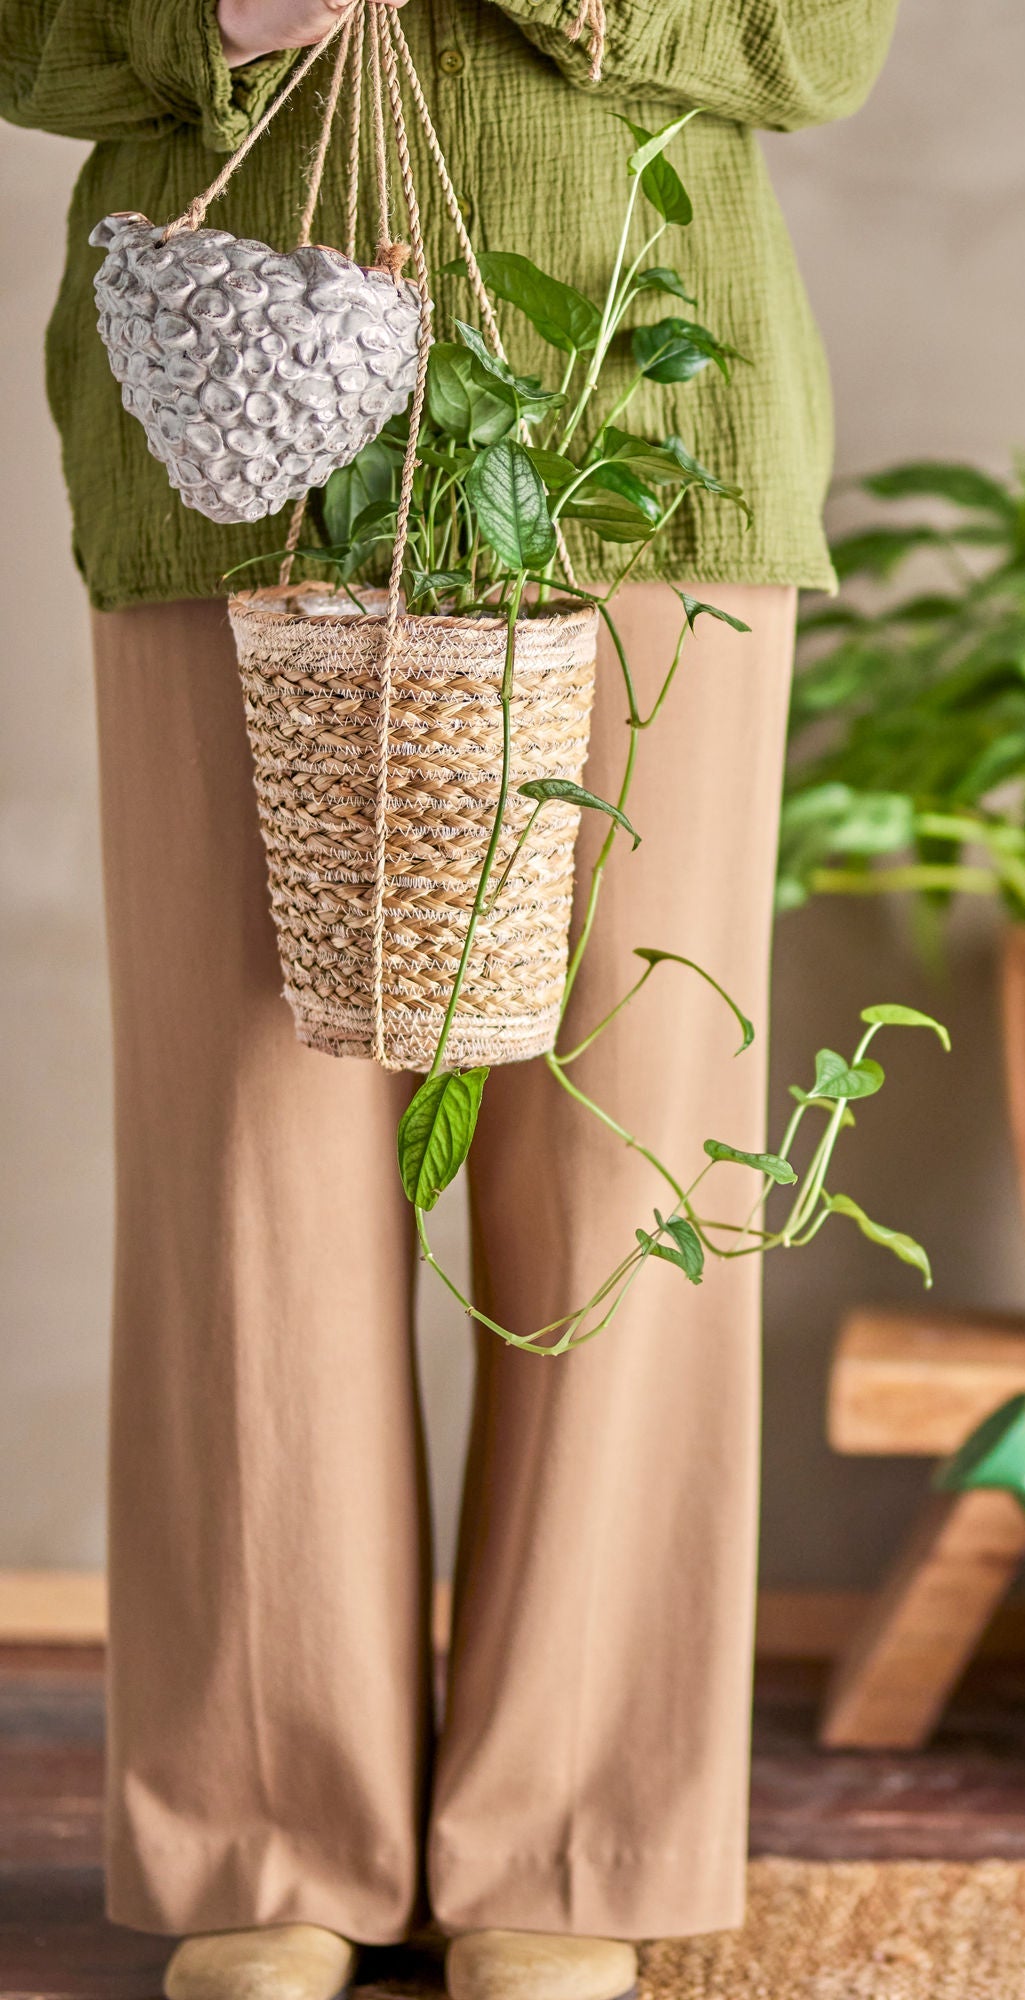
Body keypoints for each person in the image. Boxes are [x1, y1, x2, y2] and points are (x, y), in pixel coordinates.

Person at [0, 0, 898, 1995]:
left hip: (641, 457)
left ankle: (569, 1838)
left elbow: (821, 41)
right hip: (244, 448)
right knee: (250, 1156)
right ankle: (263, 1832)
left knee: (625, 1150)